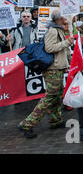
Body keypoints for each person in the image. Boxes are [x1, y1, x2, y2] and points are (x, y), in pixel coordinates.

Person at [18, 10, 74, 139]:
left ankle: (56, 120)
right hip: (52, 69)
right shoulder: (52, 31)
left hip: (58, 67)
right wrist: (66, 42)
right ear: (58, 19)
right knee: (49, 97)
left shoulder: (58, 30)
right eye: (64, 18)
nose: (66, 20)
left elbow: (63, 51)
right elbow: (50, 48)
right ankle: (27, 124)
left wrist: (67, 63)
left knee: (57, 95)